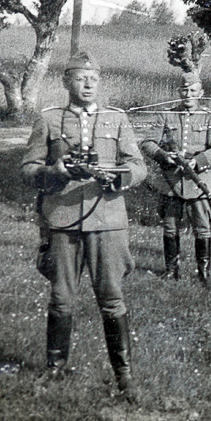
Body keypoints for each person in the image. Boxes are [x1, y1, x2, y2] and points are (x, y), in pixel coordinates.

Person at [21, 51, 147, 400]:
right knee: (61, 299)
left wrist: (118, 179)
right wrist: (56, 171)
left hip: (107, 221)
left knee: (112, 297)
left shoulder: (117, 119)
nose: (88, 84)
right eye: (80, 78)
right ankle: (55, 369)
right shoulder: (48, 120)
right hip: (62, 219)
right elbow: (28, 169)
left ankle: (125, 376)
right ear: (66, 82)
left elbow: (138, 166)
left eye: (93, 78)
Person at [140, 73, 211, 284]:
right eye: (185, 90)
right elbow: (148, 142)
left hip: (199, 181)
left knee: (202, 227)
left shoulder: (209, 117)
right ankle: (171, 271)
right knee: (170, 226)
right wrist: (163, 156)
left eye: (193, 91)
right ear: (179, 92)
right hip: (171, 181)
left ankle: (203, 273)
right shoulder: (166, 116)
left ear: (201, 93)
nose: (188, 95)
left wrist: (199, 161)